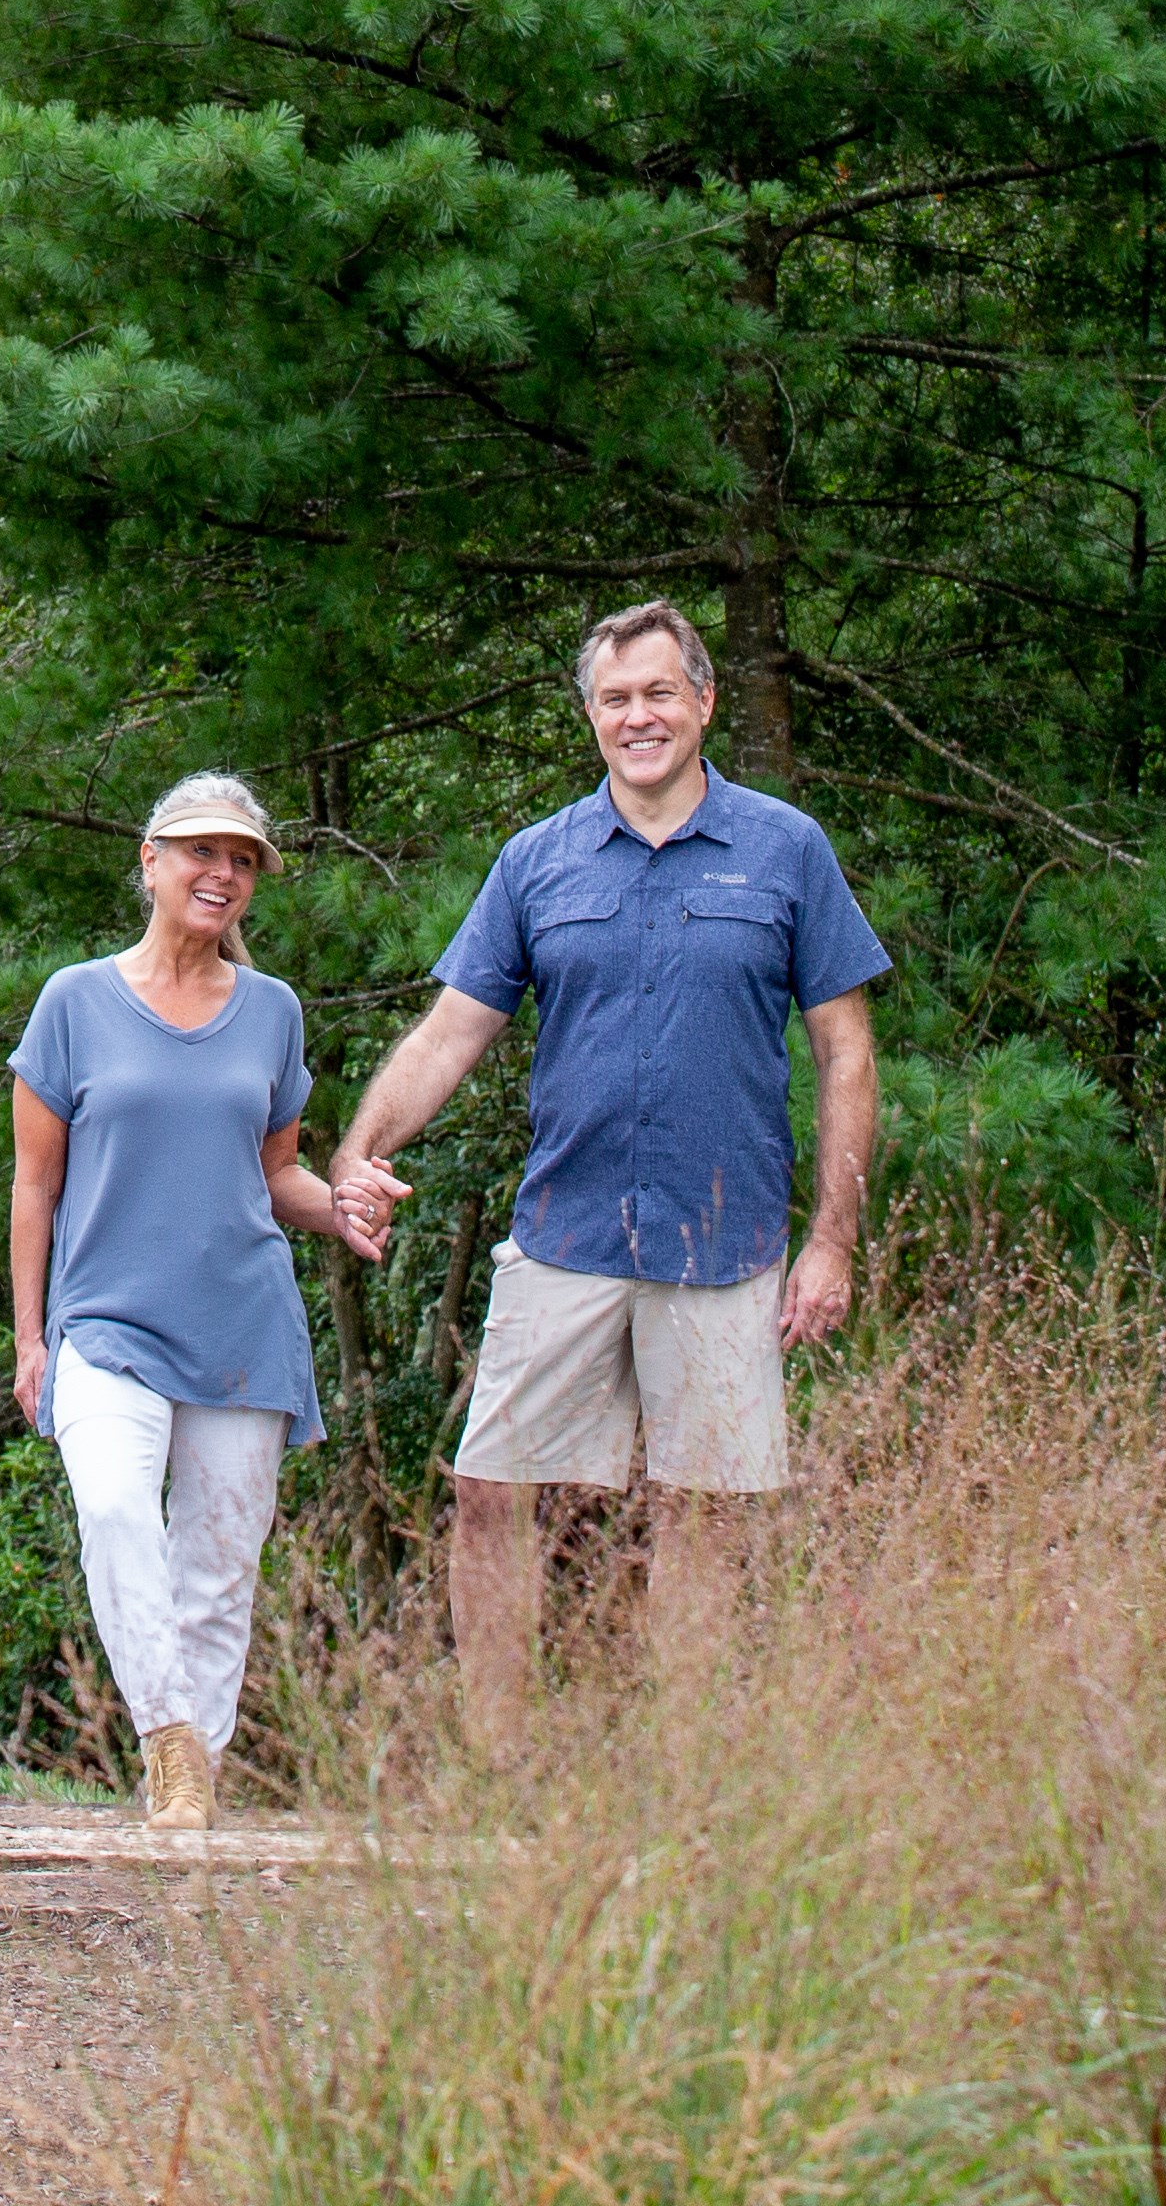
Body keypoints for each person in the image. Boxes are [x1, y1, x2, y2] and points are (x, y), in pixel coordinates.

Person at [335, 602, 884, 1730]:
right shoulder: (536, 862)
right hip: (566, 1236)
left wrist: (831, 1241)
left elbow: (846, 1049)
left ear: (704, 701)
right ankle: (497, 1768)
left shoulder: (787, 850)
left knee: (707, 1515)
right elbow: (449, 1033)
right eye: (616, 699)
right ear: (592, 716)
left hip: (723, 1244)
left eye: (659, 694)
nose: (640, 717)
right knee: (491, 1493)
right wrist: (357, 1150)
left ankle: (691, 1782)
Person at [7, 771, 377, 1831]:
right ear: (152, 862)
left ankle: (188, 1800)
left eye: (244, 859)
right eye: (203, 852)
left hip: (243, 1326)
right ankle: (169, 1737)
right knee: (118, 1509)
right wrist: (32, 1339)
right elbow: (35, 1186)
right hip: (106, 1324)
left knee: (220, 1566)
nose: (223, 873)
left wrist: (342, 1208)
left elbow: (275, 1174)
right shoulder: (74, 1000)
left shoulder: (272, 1012)